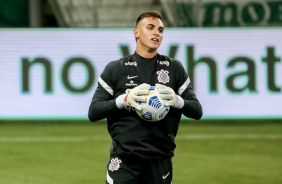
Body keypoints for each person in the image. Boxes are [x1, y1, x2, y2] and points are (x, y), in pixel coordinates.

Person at [88, 11, 203, 184]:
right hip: (124, 160)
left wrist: (177, 101)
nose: (157, 32)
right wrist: (124, 100)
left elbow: (197, 110)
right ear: (136, 32)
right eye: (150, 27)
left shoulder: (174, 68)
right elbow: (94, 112)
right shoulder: (116, 69)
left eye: (161, 30)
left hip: (160, 160)